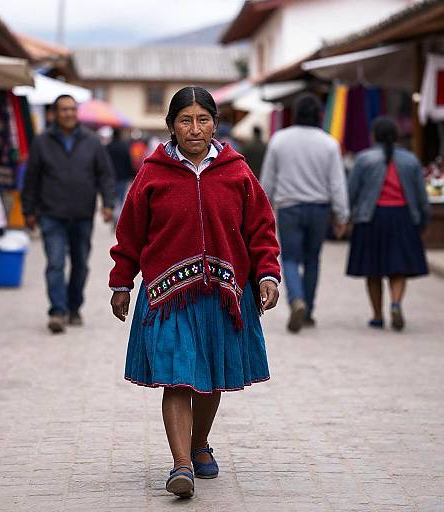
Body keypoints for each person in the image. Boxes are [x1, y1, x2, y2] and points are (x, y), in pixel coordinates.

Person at [109, 86, 281, 499]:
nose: (194, 128)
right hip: (168, 296)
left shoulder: (237, 172)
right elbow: (130, 231)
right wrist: (121, 281)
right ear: (171, 127)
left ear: (215, 125)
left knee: (212, 378)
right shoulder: (152, 173)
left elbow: (261, 228)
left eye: (203, 119)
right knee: (177, 377)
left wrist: (267, 275)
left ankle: (199, 442)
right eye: (185, 120)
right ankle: (181, 464)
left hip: (224, 293)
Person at [22, 94, 116, 334]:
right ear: (54, 113)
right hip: (51, 213)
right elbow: (31, 178)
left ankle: (74, 307)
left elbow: (105, 174)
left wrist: (107, 204)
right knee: (55, 263)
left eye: (72, 109)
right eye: (64, 110)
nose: (69, 114)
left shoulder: (92, 141)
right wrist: (28, 210)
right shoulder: (42, 141)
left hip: (82, 214)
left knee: (80, 265)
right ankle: (57, 311)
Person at [260, 94, 349, 333]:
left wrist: (262, 209)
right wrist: (342, 215)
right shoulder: (329, 143)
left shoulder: (279, 140)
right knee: (312, 260)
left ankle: (295, 299)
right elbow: (337, 183)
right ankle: (308, 310)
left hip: (289, 208)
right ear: (320, 115)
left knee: (289, 258)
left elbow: (267, 180)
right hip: (320, 209)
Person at [346, 117, 429, 330]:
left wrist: (347, 217)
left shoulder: (364, 159)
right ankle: (395, 303)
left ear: (374, 135)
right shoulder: (410, 160)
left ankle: (377, 315)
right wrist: (422, 221)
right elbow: (421, 196)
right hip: (403, 218)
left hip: (371, 218)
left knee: (372, 270)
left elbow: (352, 191)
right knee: (398, 268)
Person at [106, 128, 134, 225]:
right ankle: (118, 219)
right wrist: (131, 174)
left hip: (110, 177)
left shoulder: (108, 147)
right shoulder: (124, 147)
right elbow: (128, 161)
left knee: (113, 198)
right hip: (123, 176)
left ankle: (114, 217)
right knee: (121, 199)